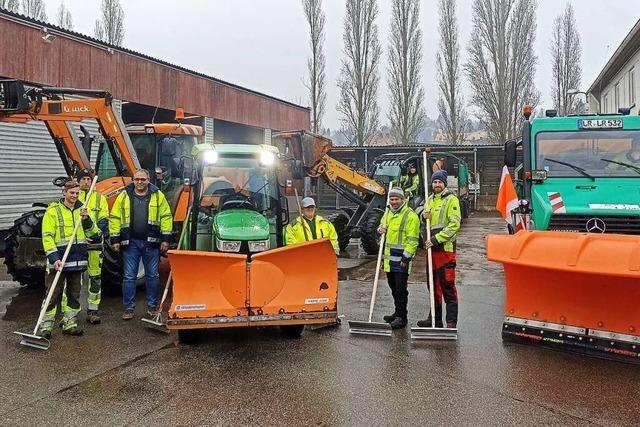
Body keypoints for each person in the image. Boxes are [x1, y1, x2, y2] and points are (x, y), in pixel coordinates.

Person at [110, 169, 173, 320]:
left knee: (152, 276)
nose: (139, 182)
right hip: (130, 243)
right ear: (133, 180)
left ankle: (152, 306)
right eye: (137, 179)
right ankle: (129, 308)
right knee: (129, 277)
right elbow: (115, 218)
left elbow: (166, 217)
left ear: (148, 180)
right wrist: (115, 239)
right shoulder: (124, 196)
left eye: (142, 179)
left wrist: (165, 238)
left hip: (151, 243)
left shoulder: (158, 196)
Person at [40, 179, 99, 339]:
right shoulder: (53, 211)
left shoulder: (83, 210)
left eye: (77, 193)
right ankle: (46, 326)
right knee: (53, 294)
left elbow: (95, 235)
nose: (74, 196)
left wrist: (87, 220)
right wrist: (53, 258)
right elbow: (47, 236)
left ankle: (70, 323)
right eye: (71, 193)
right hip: (58, 261)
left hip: (77, 261)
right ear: (64, 193)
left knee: (74, 294)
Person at [61, 169, 109, 325]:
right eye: (83, 179)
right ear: (78, 181)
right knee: (73, 279)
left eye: (89, 179)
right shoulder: (74, 197)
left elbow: (103, 220)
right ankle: (67, 314)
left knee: (95, 278)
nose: (86, 182)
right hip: (78, 245)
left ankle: (93, 310)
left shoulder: (99, 199)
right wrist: (82, 237)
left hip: (94, 244)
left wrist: (93, 236)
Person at [418, 169, 461, 329]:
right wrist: (423, 217)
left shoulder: (451, 200)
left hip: (445, 251)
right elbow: (424, 224)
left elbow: (454, 225)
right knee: (432, 286)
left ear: (444, 184)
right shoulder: (429, 200)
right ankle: (434, 319)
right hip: (431, 251)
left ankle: (451, 323)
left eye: (439, 182)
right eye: (435, 182)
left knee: (447, 287)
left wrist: (435, 240)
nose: (437, 184)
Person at [377, 187, 420, 329]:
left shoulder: (410, 216)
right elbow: (382, 227)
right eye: (392, 199)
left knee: (401, 289)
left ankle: (402, 317)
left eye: (397, 199)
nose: (394, 202)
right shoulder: (388, 212)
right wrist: (380, 229)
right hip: (389, 260)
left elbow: (413, 240)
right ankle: (397, 312)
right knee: (393, 288)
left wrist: (406, 258)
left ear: (402, 200)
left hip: (402, 260)